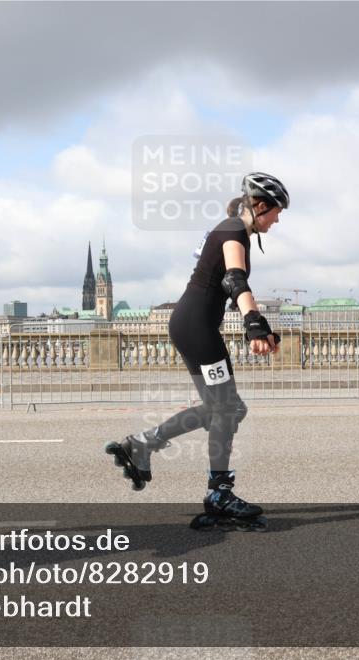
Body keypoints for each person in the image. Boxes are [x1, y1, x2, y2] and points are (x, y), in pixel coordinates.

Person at [106, 172, 289, 530]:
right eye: (277, 212)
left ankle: (141, 445)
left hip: (193, 325)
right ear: (260, 205)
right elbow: (234, 279)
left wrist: (261, 325)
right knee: (228, 408)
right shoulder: (234, 230)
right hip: (196, 328)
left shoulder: (231, 229)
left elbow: (227, 282)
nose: (277, 220)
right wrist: (253, 323)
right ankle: (219, 493)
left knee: (224, 408)